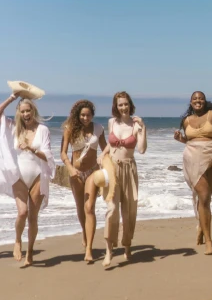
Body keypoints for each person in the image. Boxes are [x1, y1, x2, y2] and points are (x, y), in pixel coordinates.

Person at [0, 92, 55, 266]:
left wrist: (31, 149)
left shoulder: (43, 130)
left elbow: (47, 155)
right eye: (23, 111)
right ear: (18, 113)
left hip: (37, 176)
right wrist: (12, 97)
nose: (26, 114)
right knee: (22, 213)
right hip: (18, 176)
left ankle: (31, 252)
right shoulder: (13, 127)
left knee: (33, 217)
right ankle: (18, 240)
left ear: (33, 111)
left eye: (28, 111)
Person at [174, 91, 212, 255]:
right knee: (203, 197)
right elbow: (189, 140)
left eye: (201, 98)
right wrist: (180, 139)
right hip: (193, 160)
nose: (198, 101)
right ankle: (209, 240)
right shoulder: (186, 120)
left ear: (205, 101)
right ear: (190, 102)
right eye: (195, 99)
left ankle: (202, 227)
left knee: (206, 198)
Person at [99, 91, 147, 268]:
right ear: (116, 106)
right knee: (111, 209)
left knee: (129, 211)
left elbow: (141, 149)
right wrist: (101, 156)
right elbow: (110, 145)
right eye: (120, 104)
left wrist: (143, 128)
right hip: (112, 168)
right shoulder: (112, 122)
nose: (123, 107)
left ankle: (127, 245)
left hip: (129, 168)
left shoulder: (135, 125)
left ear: (130, 104)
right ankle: (109, 250)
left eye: (126, 104)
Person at [60, 99, 107, 263]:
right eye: (82, 115)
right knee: (80, 207)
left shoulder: (99, 128)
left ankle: (89, 249)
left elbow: (105, 148)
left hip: (93, 172)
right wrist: (71, 169)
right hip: (76, 173)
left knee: (89, 207)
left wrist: (106, 162)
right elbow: (63, 153)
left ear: (92, 115)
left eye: (88, 115)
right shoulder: (70, 129)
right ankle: (84, 233)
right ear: (78, 115)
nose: (85, 118)